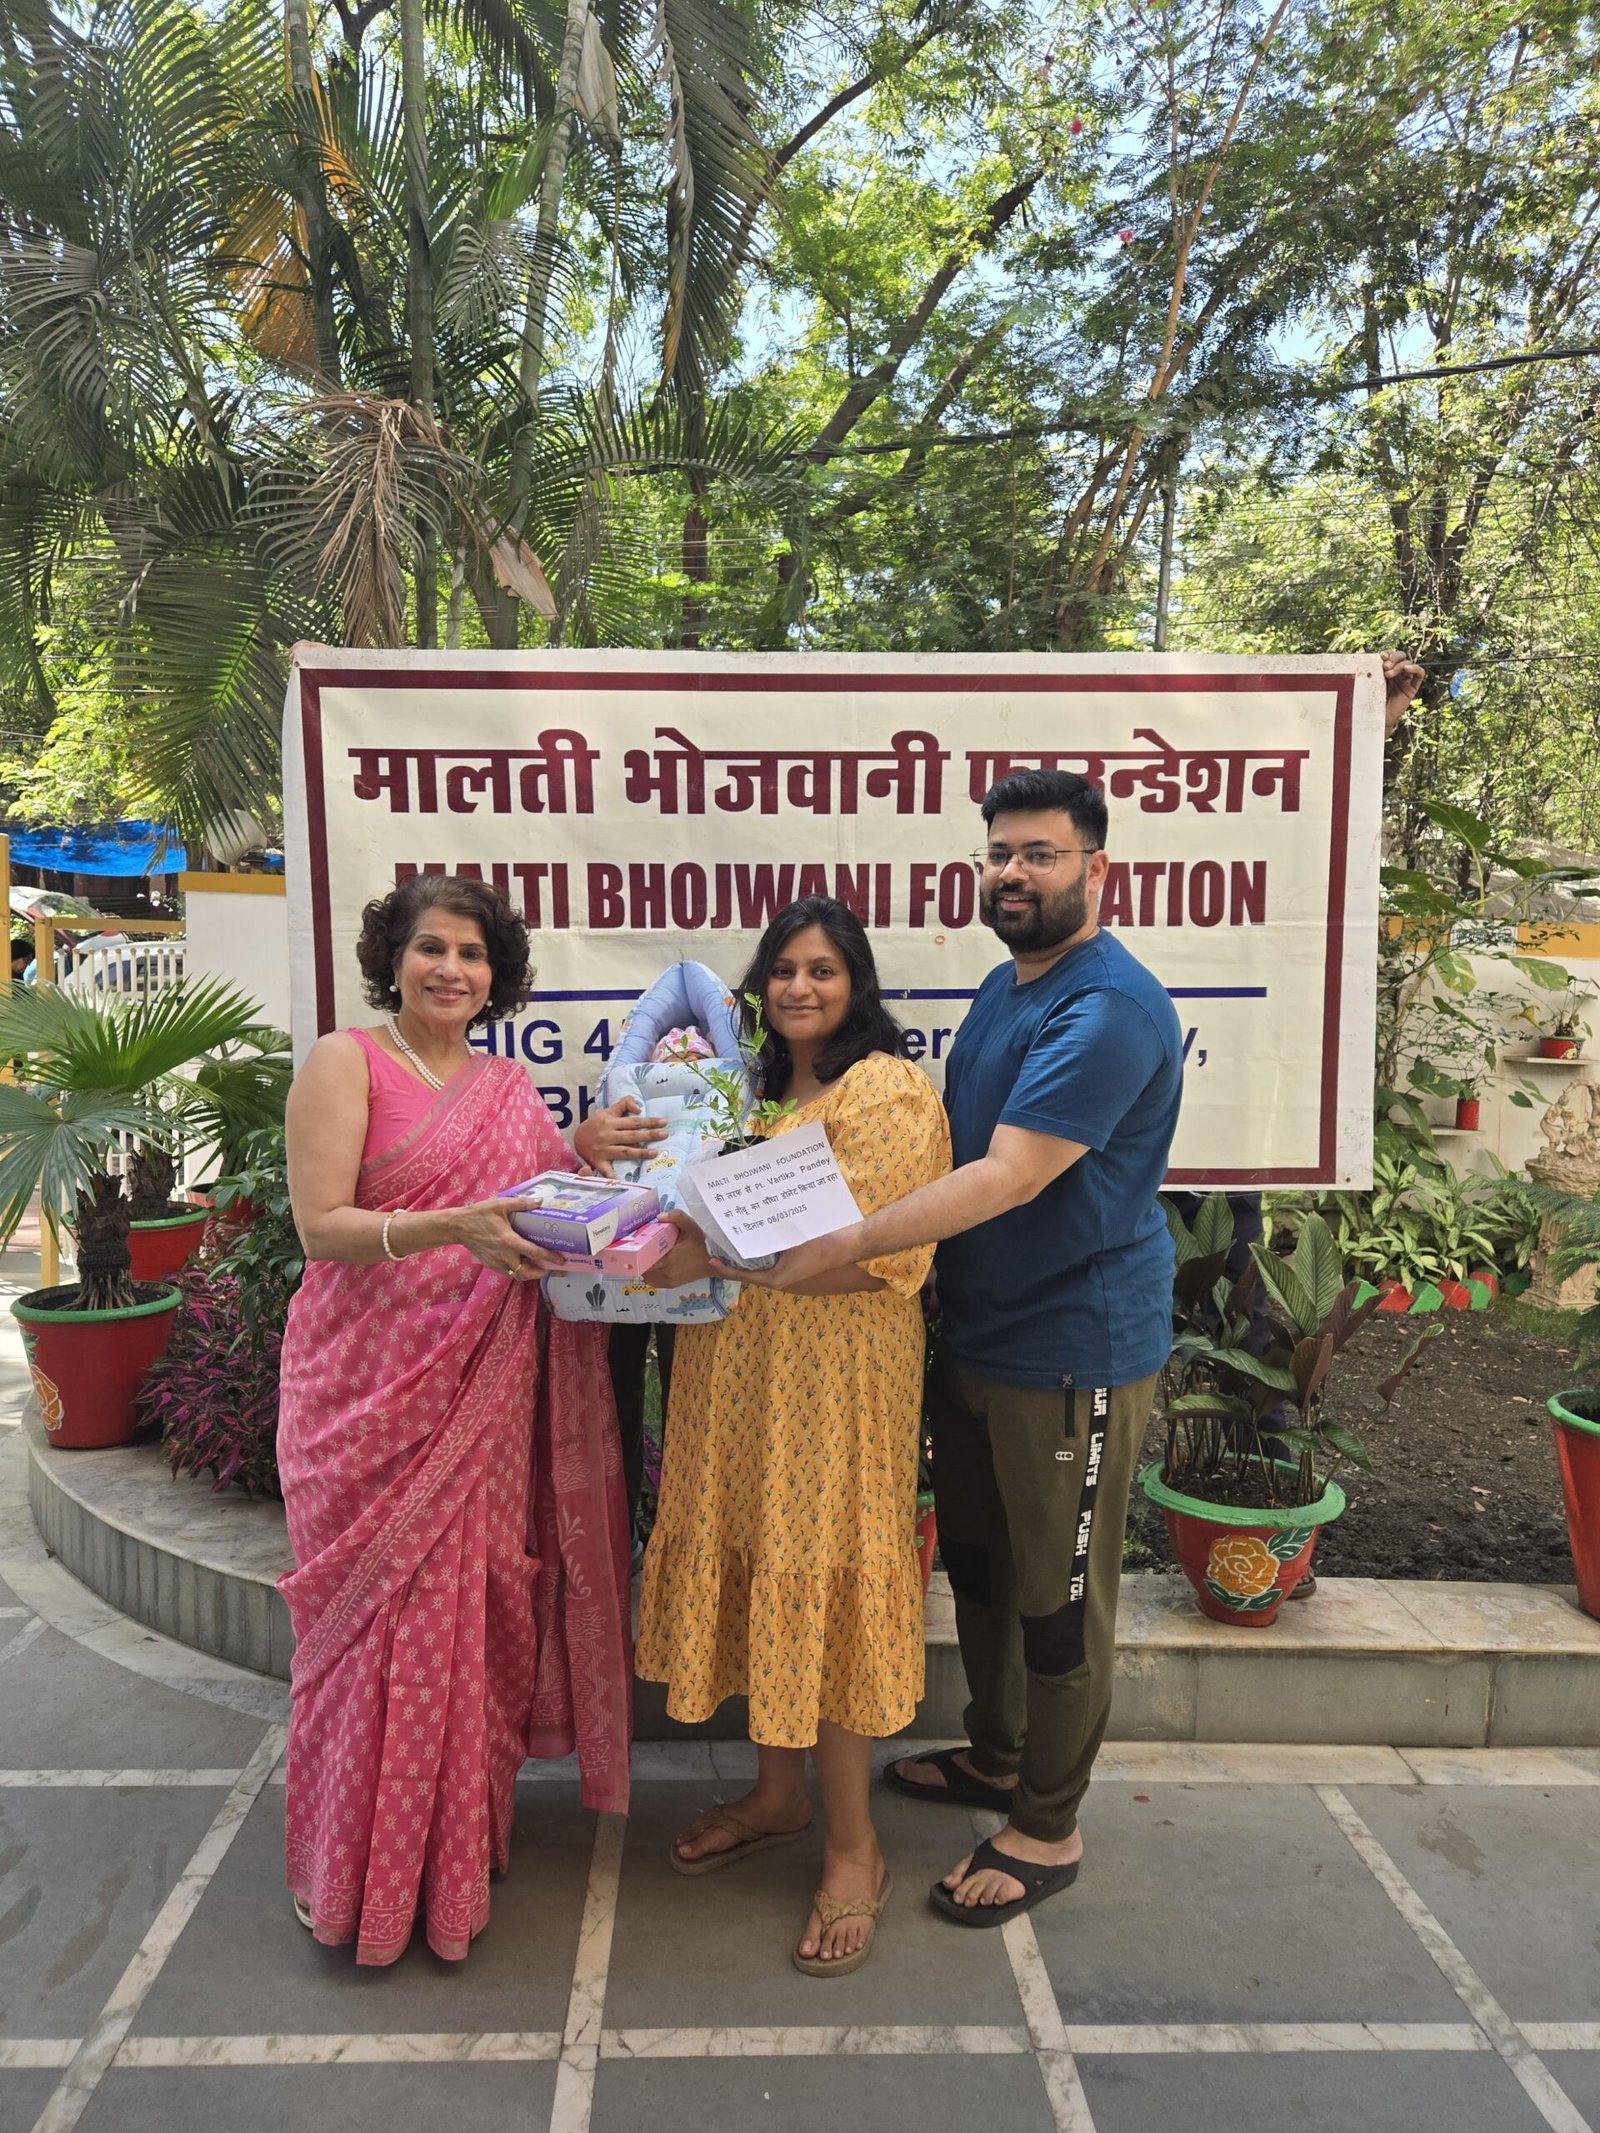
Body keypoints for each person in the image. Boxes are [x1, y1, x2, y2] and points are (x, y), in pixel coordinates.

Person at [723, 772, 1183, 1930]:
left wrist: (844, 1243)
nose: (1013, 873)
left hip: (1072, 1347)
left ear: (1096, 870)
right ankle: (995, 1752)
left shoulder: (1108, 1008)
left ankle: (1047, 1822)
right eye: (999, 854)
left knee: (1057, 1597)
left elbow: (1009, 1173)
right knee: (977, 1569)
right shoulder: (1004, 984)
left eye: (1040, 854)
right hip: (977, 1333)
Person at [277, 873, 640, 1965]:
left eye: (473, 954)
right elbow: (321, 1228)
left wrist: (585, 1155)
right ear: (393, 959)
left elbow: (527, 1206)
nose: (451, 969)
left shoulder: (505, 1085)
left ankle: (448, 1853)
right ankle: (354, 1875)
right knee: (371, 1633)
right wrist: (453, 1229)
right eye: (431, 947)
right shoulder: (346, 1061)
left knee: (472, 1611)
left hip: (482, 1397)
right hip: (365, 1394)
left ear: (496, 976)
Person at [634, 897, 951, 1977]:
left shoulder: (887, 1090)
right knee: (764, 1565)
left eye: (822, 969)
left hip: (837, 1377)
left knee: (824, 1575)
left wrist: (715, 1258)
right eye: (782, 969)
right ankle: (777, 1797)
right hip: (733, 1372)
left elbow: (883, 1257)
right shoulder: (747, 1091)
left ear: (856, 984)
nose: (799, 987)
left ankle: (855, 1847)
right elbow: (691, 1204)